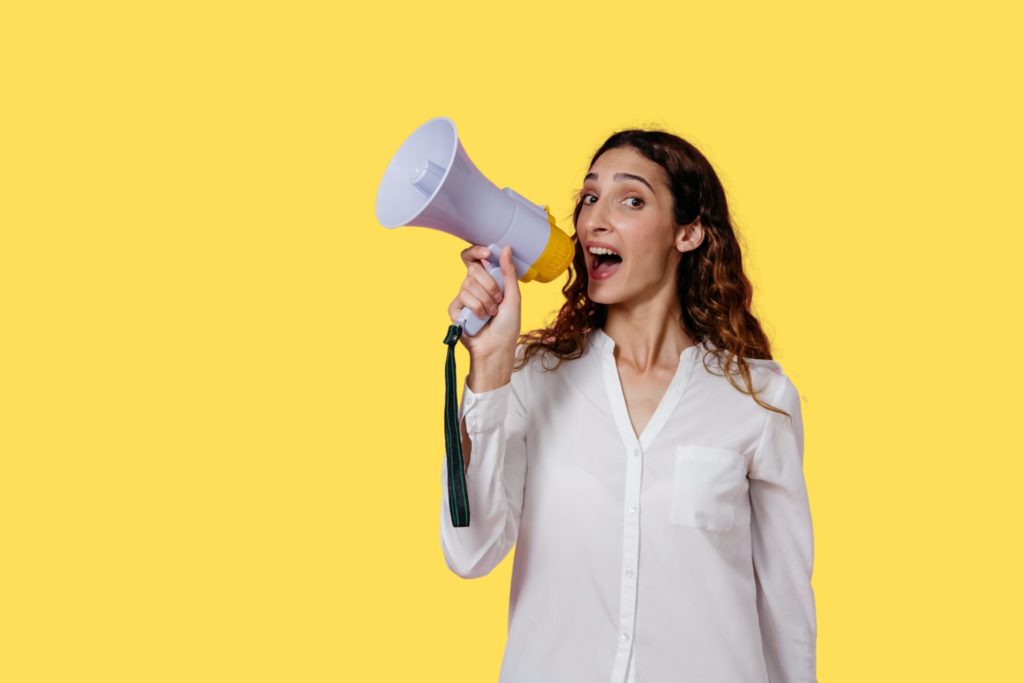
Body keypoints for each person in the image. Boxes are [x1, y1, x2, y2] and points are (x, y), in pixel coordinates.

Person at [440, 128, 817, 683]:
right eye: (589, 197)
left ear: (687, 233)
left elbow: (785, 605)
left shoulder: (755, 399)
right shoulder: (529, 379)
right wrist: (490, 367)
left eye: (631, 200)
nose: (594, 219)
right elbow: (469, 554)